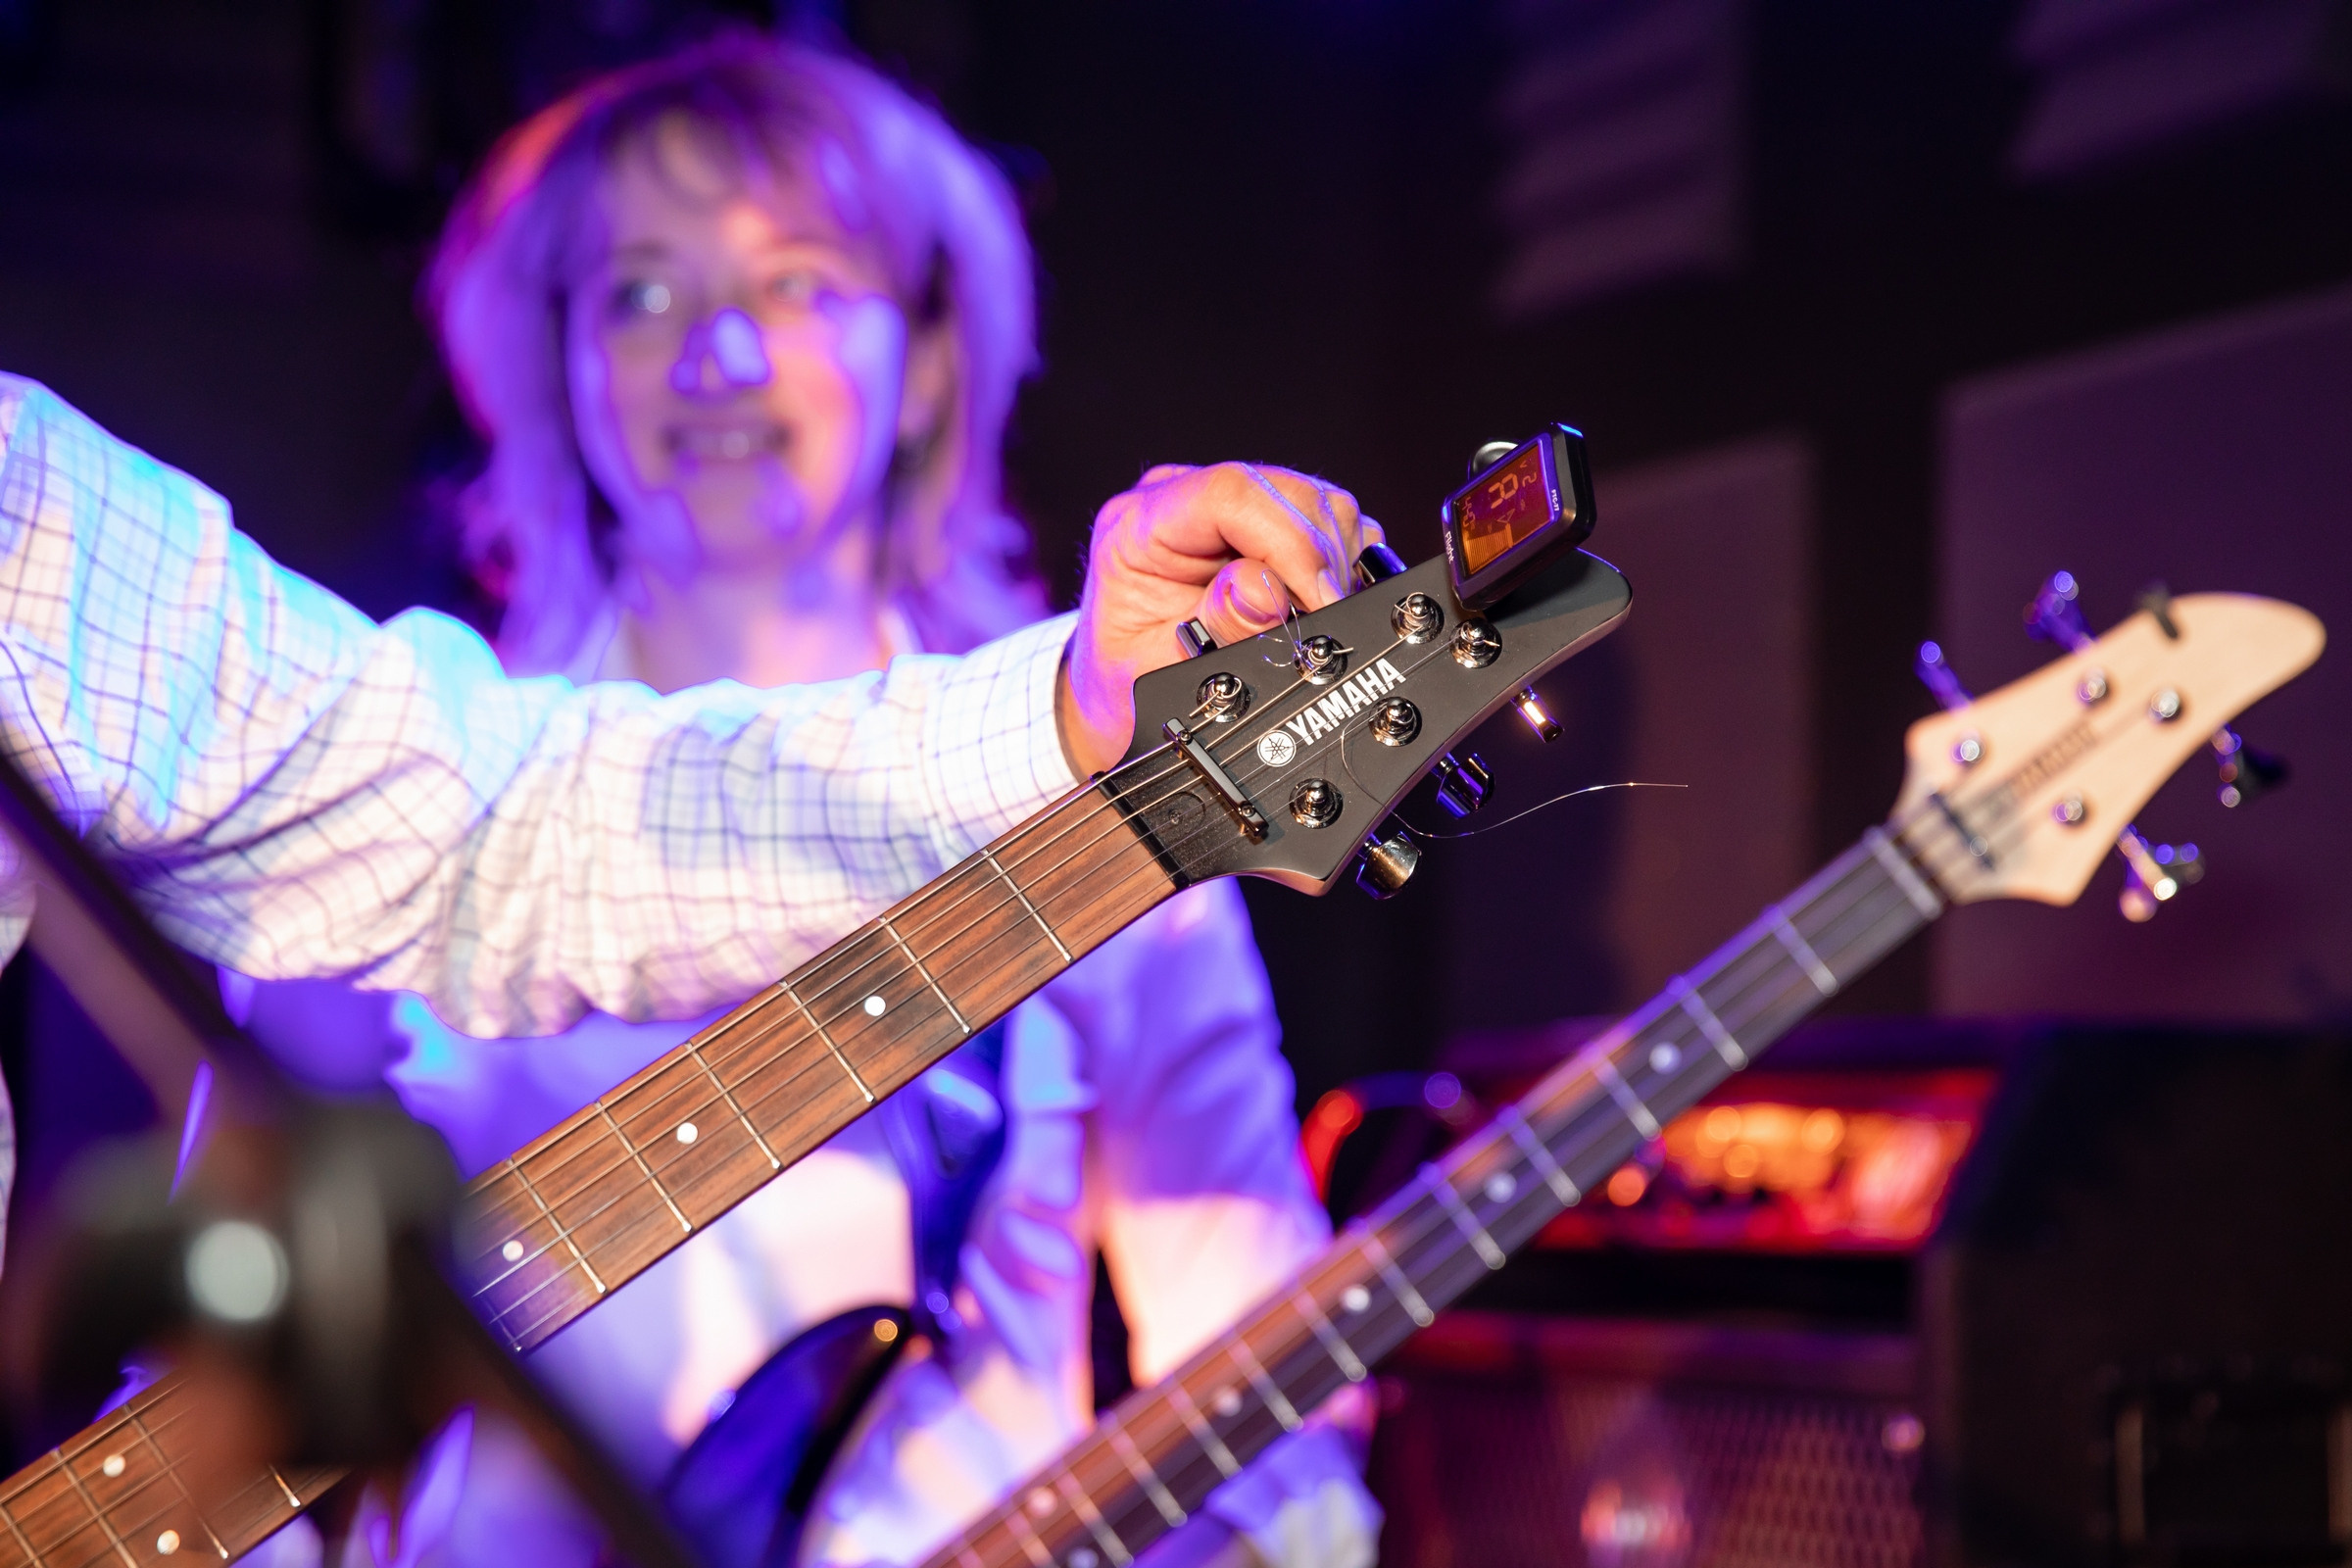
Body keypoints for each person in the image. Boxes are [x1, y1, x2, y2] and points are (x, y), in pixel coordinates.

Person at [229, 34, 1381, 1568]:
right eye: (640, 293)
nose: (715, 359)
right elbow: (229, 1409)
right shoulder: (389, 813)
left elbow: (1269, 1395)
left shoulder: (1116, 799)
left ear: (924, 363)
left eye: (794, 284)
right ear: (556, 370)